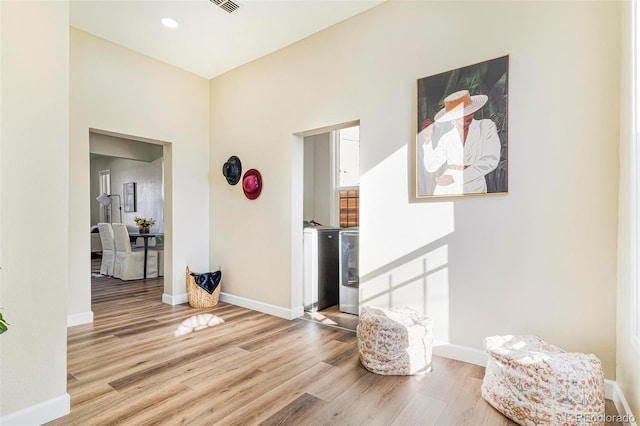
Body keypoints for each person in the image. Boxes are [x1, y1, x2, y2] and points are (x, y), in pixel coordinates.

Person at [421, 89, 501, 195]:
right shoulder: (447, 137)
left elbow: (491, 159)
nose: (469, 115)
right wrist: (428, 139)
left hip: (474, 187)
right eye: (462, 113)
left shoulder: (486, 126)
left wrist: (456, 178)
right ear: (453, 118)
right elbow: (431, 166)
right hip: (446, 188)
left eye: (470, 110)